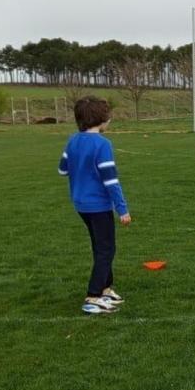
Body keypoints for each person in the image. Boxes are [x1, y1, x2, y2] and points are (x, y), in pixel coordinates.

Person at [58, 96, 131, 315]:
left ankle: (106, 288)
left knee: (101, 247)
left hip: (81, 204)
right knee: (106, 249)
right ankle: (93, 296)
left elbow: (62, 170)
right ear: (102, 119)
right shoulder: (102, 144)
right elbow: (111, 181)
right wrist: (122, 208)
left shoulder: (72, 140)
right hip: (98, 205)